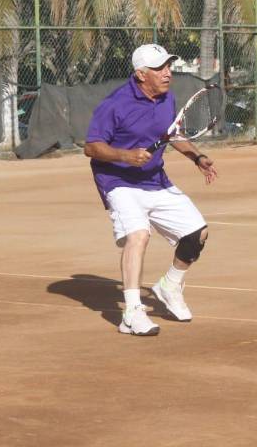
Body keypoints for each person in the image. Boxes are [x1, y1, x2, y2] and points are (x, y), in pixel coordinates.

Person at [84, 43, 218, 336]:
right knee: (139, 235)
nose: (167, 73)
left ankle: (169, 285)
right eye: (160, 68)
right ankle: (131, 313)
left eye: (168, 66)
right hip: (118, 182)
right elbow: (91, 147)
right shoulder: (115, 104)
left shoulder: (166, 99)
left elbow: (172, 135)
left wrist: (197, 157)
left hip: (155, 180)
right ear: (141, 74)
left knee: (197, 234)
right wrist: (125, 155)